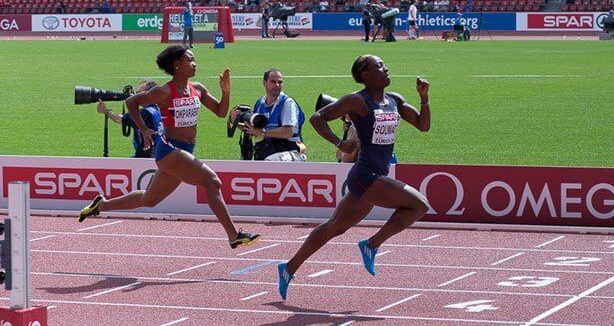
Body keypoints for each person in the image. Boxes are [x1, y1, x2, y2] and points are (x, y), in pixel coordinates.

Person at [277, 54, 431, 299]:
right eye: (379, 66)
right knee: (419, 205)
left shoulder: (394, 100)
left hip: (378, 173)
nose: (386, 68)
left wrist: (424, 99)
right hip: (365, 175)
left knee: (334, 227)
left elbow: (423, 126)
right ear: (365, 74)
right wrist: (340, 142)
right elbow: (318, 118)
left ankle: (288, 268)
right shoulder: (358, 101)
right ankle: (371, 244)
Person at [79, 45, 261, 249]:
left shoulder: (198, 89)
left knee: (149, 199)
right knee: (212, 182)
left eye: (194, 60)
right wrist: (144, 129)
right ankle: (233, 235)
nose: (194, 63)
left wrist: (226, 91)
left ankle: (100, 205)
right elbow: (132, 102)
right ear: (177, 65)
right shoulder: (164, 91)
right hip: (169, 151)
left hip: (185, 151)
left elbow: (220, 112)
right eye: (189, 60)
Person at [230, 68, 306, 161]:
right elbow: (254, 130)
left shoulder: (287, 102)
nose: (277, 85)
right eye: (273, 82)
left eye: (280, 82)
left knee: (270, 162)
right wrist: (236, 123)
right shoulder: (259, 103)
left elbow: (288, 132)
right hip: (270, 150)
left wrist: (263, 133)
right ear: (264, 82)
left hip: (292, 151)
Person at [96, 79, 162, 158]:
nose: (135, 96)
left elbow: (121, 119)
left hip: (145, 159)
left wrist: (106, 112)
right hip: (162, 155)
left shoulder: (144, 114)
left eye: (138, 94)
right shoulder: (160, 108)